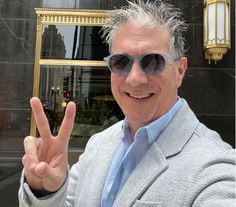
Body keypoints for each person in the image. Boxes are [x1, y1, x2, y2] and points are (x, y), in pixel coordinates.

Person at [19, 0, 235, 206]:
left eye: (153, 61)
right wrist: (46, 192)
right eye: (121, 62)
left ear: (180, 70)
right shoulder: (98, 144)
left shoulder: (215, 165)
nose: (134, 78)